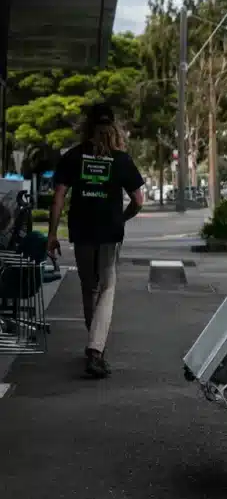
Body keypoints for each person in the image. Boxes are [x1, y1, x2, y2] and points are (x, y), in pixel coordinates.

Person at [48, 102, 145, 379]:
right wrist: (123, 218)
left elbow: (59, 196)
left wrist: (52, 234)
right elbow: (138, 200)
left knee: (88, 287)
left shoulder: (73, 157)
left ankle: (95, 345)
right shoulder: (121, 159)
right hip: (109, 233)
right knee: (108, 287)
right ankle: (95, 349)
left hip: (81, 231)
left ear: (87, 127)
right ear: (113, 127)